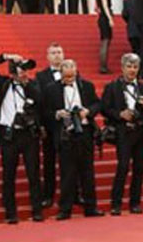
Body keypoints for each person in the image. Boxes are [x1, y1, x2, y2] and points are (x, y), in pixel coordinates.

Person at [0, 52, 45, 223]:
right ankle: (10, 213)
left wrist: (26, 84)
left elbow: (40, 101)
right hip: (8, 135)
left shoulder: (32, 85)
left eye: (26, 69)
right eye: (21, 69)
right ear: (12, 72)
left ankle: (37, 210)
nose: (24, 72)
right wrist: (5, 57)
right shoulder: (3, 83)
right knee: (8, 175)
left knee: (33, 173)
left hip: (28, 134)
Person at [44, 60, 104, 220]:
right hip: (65, 134)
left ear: (77, 72)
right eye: (66, 76)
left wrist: (88, 111)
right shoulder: (51, 89)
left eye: (72, 76)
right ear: (61, 74)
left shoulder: (87, 86)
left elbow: (98, 104)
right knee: (67, 173)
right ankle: (65, 209)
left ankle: (91, 207)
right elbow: (45, 112)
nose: (69, 78)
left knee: (88, 172)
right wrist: (57, 114)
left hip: (85, 133)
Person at [102, 54, 143, 215]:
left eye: (135, 67)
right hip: (123, 132)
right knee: (123, 167)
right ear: (122, 67)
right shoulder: (112, 87)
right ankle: (116, 203)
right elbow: (104, 108)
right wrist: (120, 114)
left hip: (141, 132)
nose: (132, 70)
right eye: (129, 66)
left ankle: (135, 203)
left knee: (139, 168)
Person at [35, 43, 66, 209]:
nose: (57, 55)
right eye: (53, 53)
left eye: (59, 52)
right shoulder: (41, 76)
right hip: (50, 125)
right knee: (49, 162)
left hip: (68, 125)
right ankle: (48, 195)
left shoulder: (72, 72)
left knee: (70, 162)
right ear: (47, 57)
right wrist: (41, 125)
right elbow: (39, 103)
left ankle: (72, 194)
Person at [93, 0, 117, 74]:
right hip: (105, 18)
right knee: (106, 41)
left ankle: (103, 66)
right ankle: (103, 66)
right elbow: (105, 6)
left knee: (104, 41)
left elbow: (95, 8)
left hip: (101, 18)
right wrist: (110, 18)